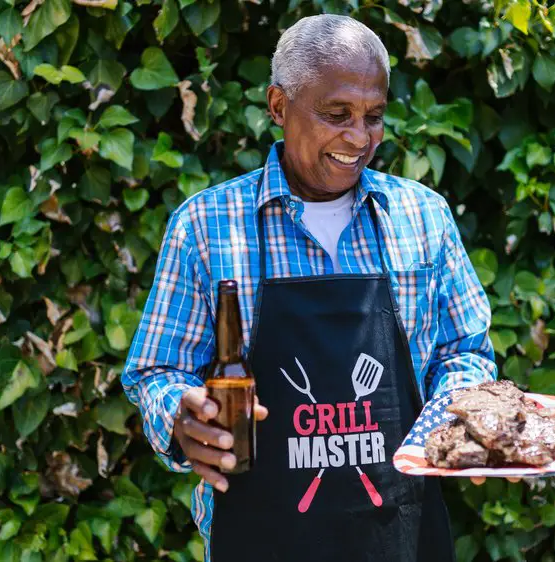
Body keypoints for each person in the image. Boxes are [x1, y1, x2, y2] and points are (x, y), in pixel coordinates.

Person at [122, 14, 497, 562]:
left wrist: (461, 422)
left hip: (402, 537)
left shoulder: (423, 217)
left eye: (373, 117)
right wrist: (180, 414)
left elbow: (464, 351)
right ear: (278, 106)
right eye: (336, 114)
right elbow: (156, 371)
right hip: (262, 540)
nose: (358, 137)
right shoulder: (206, 225)